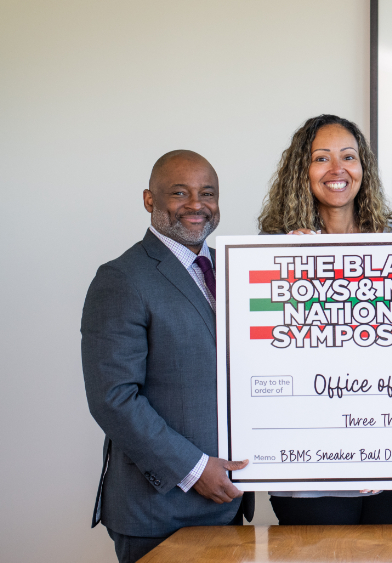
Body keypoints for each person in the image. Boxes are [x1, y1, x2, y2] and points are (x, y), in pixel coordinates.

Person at [82, 150, 253, 563]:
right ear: (149, 200)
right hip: (158, 510)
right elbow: (113, 397)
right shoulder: (121, 278)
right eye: (180, 192)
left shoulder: (234, 271)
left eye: (207, 193)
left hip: (225, 506)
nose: (197, 204)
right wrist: (193, 470)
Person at [257, 114, 392, 525]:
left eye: (348, 157)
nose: (337, 170)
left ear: (362, 168)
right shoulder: (271, 251)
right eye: (321, 158)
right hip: (311, 462)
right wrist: (289, 268)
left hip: (391, 454)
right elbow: (263, 353)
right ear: (302, 171)